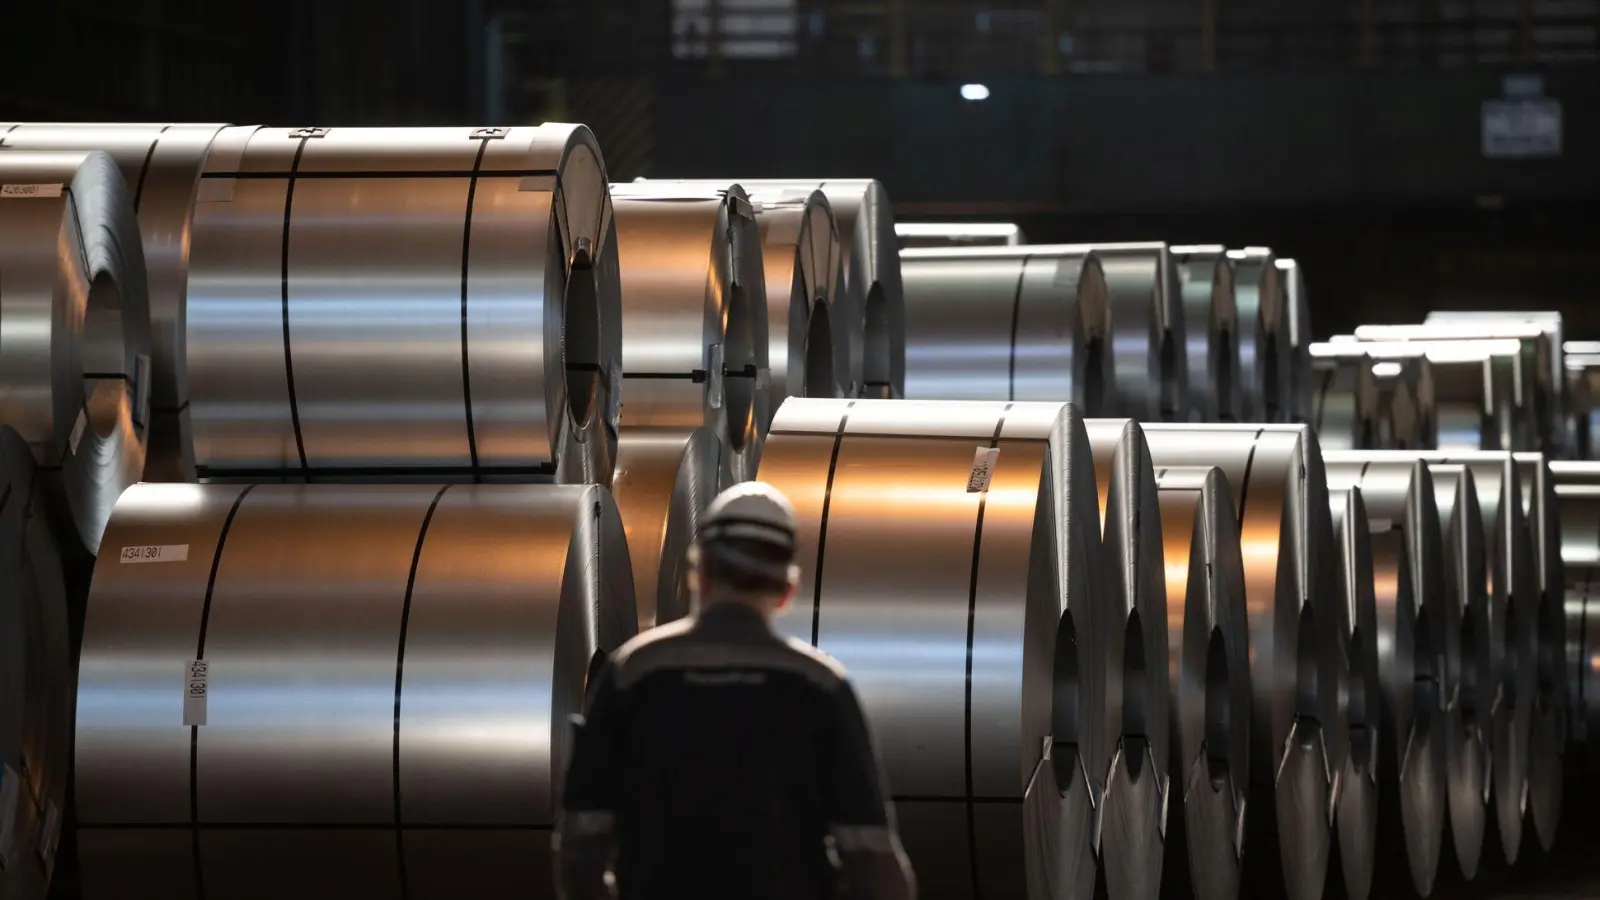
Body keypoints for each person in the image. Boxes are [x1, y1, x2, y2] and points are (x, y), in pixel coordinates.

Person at [554, 481, 916, 900]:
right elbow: (872, 857)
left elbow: (581, 842)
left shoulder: (631, 675)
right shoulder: (821, 688)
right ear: (786, 593)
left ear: (700, 574)